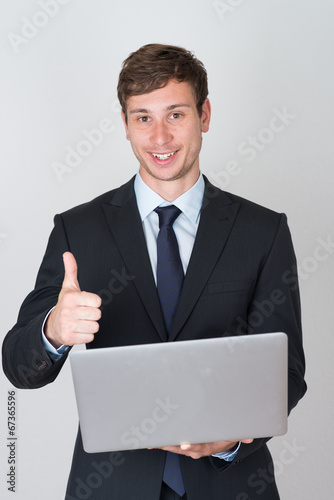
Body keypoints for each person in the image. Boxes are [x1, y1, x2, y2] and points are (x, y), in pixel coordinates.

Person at [2, 43, 306, 500]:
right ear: (125, 124)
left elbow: (287, 372)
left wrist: (233, 437)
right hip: (110, 486)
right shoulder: (78, 230)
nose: (160, 137)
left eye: (176, 114)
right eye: (143, 117)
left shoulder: (262, 231)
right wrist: (54, 330)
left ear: (204, 115)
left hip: (232, 484)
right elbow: (20, 367)